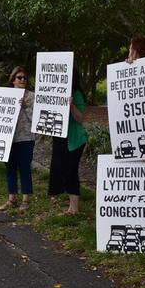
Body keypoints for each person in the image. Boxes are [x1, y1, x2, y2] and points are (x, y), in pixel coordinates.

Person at [48, 68, 88, 215]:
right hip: (60, 137)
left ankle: (74, 208)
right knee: (63, 170)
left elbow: (80, 118)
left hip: (74, 139)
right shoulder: (55, 93)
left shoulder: (76, 93)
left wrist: (70, 105)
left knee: (71, 171)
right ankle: (71, 207)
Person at [0, 67, 35, 211]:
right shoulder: (5, 95)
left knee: (24, 168)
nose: (22, 80)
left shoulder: (32, 96)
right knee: (10, 168)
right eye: (19, 77)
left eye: (25, 78)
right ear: (13, 80)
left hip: (25, 138)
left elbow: (35, 120)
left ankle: (25, 199)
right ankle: (11, 198)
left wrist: (25, 107)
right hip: (8, 138)